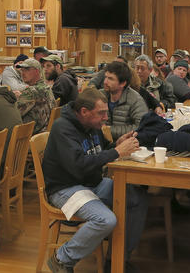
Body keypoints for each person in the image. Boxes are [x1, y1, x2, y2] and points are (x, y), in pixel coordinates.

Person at [43, 88, 147, 272]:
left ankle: (117, 259)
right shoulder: (63, 128)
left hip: (91, 183)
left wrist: (116, 144)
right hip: (65, 188)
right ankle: (62, 258)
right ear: (84, 111)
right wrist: (117, 152)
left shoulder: (91, 125)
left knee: (136, 198)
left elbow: (99, 150)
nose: (106, 117)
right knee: (105, 220)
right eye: (101, 113)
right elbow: (78, 165)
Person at [100, 61, 148, 140]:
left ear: (123, 83)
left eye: (110, 79)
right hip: (103, 145)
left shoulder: (135, 100)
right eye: (106, 77)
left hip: (127, 145)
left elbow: (142, 127)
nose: (105, 82)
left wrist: (108, 130)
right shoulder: (100, 95)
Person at [15, 58, 56, 134]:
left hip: (32, 136)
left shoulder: (31, 92)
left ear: (37, 71)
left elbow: (15, 114)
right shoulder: (47, 87)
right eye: (22, 70)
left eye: (27, 70)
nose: (23, 73)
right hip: (45, 134)